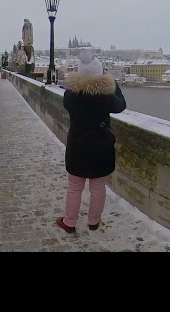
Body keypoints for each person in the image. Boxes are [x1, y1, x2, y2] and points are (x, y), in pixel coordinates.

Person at [56, 50, 127, 233]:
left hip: (78, 146)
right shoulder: (105, 96)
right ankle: (94, 221)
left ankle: (69, 222)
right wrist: (112, 83)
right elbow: (121, 105)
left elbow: (67, 103)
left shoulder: (71, 95)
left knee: (74, 187)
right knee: (98, 188)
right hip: (100, 147)